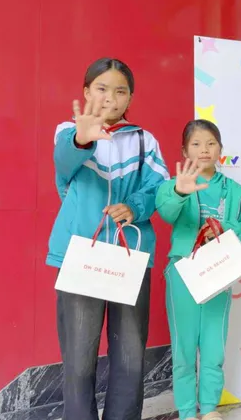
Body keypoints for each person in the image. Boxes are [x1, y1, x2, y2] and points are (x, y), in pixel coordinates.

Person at [49, 58, 170, 420]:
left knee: (130, 356)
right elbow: (64, 163)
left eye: (120, 91)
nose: (110, 98)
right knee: (78, 357)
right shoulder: (69, 132)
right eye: (101, 88)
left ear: (130, 97)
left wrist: (134, 206)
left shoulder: (145, 141)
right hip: (80, 256)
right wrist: (81, 138)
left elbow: (159, 188)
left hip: (130, 255)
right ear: (86, 92)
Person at [156, 120, 241, 420]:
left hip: (220, 270)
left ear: (220, 149)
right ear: (184, 151)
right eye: (196, 144)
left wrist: (224, 227)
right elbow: (166, 211)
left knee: (214, 344)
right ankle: (187, 411)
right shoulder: (174, 185)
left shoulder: (236, 192)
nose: (204, 149)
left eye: (210, 143)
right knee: (184, 345)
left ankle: (209, 408)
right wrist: (179, 193)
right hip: (182, 271)